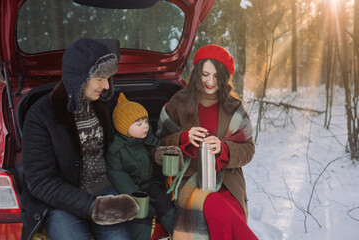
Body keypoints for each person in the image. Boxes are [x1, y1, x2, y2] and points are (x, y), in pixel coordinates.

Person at [20, 38, 140, 240]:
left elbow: (129, 135)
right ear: (80, 77)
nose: (106, 85)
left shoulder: (103, 103)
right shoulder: (40, 115)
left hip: (104, 191)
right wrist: (94, 207)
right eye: (100, 78)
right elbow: (40, 181)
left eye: (109, 78)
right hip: (60, 203)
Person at [156, 44, 258, 239]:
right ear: (196, 74)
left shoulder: (234, 106)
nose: (210, 81)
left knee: (229, 214)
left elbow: (248, 149)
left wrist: (224, 148)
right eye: (205, 74)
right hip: (189, 180)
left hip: (227, 181)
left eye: (216, 76)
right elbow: (159, 144)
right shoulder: (178, 102)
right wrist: (183, 138)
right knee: (221, 213)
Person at [106, 93, 179, 240]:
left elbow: (157, 152)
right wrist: (138, 197)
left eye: (145, 121)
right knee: (141, 214)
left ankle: (180, 234)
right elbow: (119, 177)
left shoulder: (147, 139)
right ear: (124, 128)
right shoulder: (115, 150)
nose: (145, 126)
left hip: (151, 184)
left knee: (164, 202)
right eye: (139, 124)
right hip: (132, 192)